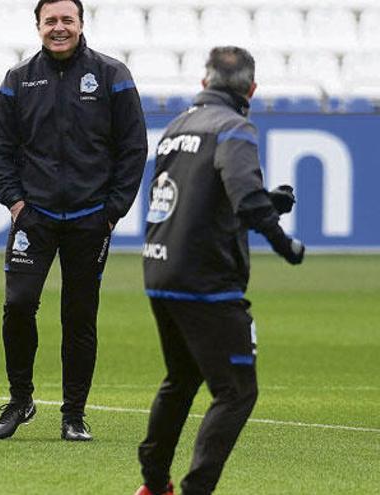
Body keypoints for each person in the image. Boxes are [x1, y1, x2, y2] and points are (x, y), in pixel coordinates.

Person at [135, 46, 305, 495]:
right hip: (206, 281)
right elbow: (244, 202)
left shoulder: (176, 129)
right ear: (251, 89)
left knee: (182, 378)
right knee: (235, 392)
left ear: (204, 82)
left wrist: (267, 201)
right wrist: (286, 245)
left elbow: (197, 197)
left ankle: (153, 484)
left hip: (160, 270)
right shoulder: (235, 128)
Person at [0, 0, 148, 441]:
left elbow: (133, 150)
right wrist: (17, 205)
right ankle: (20, 400)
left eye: (66, 20)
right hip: (32, 219)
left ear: (81, 24)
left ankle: (73, 415)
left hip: (89, 221)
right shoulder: (19, 80)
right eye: (50, 21)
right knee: (18, 306)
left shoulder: (113, 75)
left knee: (79, 317)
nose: (59, 28)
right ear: (37, 26)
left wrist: (112, 212)